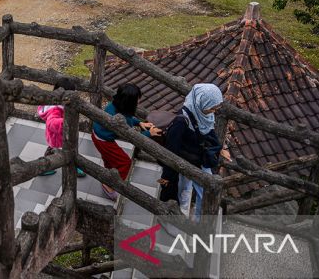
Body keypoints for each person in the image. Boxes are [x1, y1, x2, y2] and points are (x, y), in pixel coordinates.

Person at [158, 83, 231, 220]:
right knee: (184, 188)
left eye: (216, 107)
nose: (214, 111)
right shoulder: (181, 122)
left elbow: (209, 134)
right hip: (184, 161)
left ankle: (198, 221)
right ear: (201, 101)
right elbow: (171, 150)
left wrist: (220, 149)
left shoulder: (203, 114)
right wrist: (167, 176)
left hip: (198, 159)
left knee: (204, 191)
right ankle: (180, 212)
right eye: (212, 107)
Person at [92, 83, 161, 200]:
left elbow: (129, 116)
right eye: (137, 99)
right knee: (125, 162)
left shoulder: (114, 105)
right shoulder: (123, 119)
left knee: (109, 159)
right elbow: (134, 138)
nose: (139, 101)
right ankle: (109, 185)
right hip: (103, 140)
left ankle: (108, 174)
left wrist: (139, 123)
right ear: (130, 102)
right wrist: (150, 133)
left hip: (97, 134)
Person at [37, 79, 85, 177]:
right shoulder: (55, 108)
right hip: (57, 135)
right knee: (59, 151)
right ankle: (44, 168)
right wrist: (65, 122)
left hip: (58, 134)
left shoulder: (54, 99)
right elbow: (51, 122)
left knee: (59, 149)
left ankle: (72, 165)